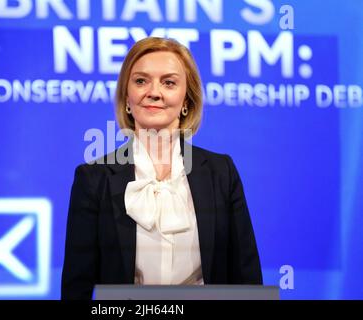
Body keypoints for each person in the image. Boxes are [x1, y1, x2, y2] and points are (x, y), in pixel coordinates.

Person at [61, 37, 262, 300]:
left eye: (169, 82)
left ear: (186, 100)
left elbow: (246, 278)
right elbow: (78, 287)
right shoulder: (93, 178)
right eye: (141, 81)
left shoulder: (220, 172)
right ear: (127, 98)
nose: (154, 92)